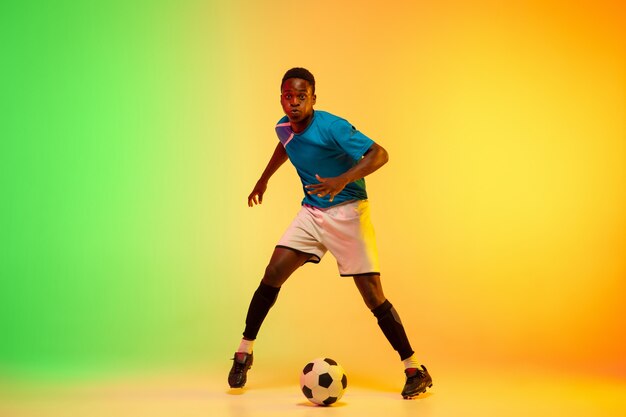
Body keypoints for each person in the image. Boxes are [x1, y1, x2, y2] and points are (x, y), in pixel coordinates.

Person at [228, 67, 432, 399]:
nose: (294, 103)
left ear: (313, 99)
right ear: (281, 98)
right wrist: (263, 179)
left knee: (372, 295)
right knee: (272, 272)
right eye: (288, 96)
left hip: (348, 212)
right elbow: (285, 146)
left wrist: (342, 180)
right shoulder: (284, 127)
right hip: (312, 212)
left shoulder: (332, 126)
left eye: (301, 97)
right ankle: (243, 352)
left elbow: (379, 154)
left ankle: (414, 368)